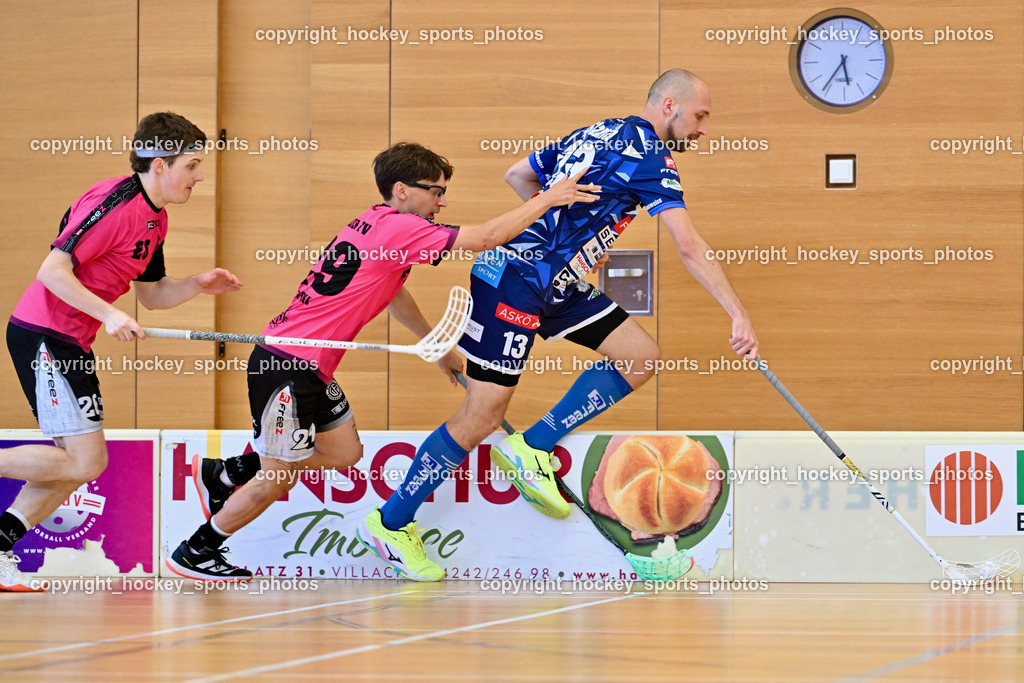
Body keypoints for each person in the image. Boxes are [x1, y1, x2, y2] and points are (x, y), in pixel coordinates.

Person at [360, 69, 760, 581]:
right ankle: (391, 522)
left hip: (559, 284)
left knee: (640, 358)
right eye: (700, 116)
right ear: (668, 105)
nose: (703, 129)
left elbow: (517, 175)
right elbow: (689, 245)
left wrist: (567, 238)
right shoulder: (654, 160)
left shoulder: (594, 131)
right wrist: (737, 312)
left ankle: (532, 446)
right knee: (482, 414)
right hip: (513, 280)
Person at [167, 142, 598, 581]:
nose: (441, 201)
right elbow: (486, 238)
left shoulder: (375, 223)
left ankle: (229, 471)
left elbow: (390, 292)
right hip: (286, 367)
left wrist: (436, 345)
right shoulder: (400, 229)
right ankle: (196, 550)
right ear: (402, 190)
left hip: (309, 368)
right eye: (435, 190)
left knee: (344, 453)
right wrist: (548, 197)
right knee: (278, 479)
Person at [0, 112, 243, 592]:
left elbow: (152, 295)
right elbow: (52, 271)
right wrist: (108, 314)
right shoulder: (114, 203)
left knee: (77, 463)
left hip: (70, 340)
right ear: (158, 164)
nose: (199, 177)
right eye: (192, 165)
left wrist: (196, 284)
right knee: (85, 463)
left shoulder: (157, 218)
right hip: (44, 333)